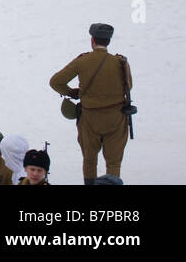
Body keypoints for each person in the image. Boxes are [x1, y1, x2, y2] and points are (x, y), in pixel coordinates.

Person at [49, 22, 134, 183]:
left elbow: (56, 82)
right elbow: (128, 86)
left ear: (92, 40)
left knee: (89, 159)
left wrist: (72, 93)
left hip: (89, 119)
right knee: (114, 162)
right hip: (115, 119)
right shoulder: (120, 62)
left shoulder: (83, 61)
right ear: (108, 41)